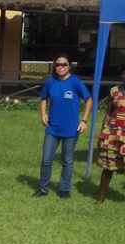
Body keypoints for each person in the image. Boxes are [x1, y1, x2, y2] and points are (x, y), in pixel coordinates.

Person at [33, 54, 92, 199]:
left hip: (71, 129)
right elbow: (43, 98)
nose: (60, 67)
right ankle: (43, 188)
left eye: (64, 64)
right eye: (57, 64)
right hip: (52, 128)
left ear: (69, 66)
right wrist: (43, 114)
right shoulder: (51, 82)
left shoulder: (76, 82)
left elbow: (89, 100)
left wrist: (84, 121)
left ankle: (65, 189)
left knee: (67, 161)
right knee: (46, 159)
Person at [95, 58, 125, 203]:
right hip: (113, 134)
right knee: (108, 168)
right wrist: (102, 134)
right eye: (124, 73)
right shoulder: (114, 91)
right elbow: (108, 114)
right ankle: (101, 199)